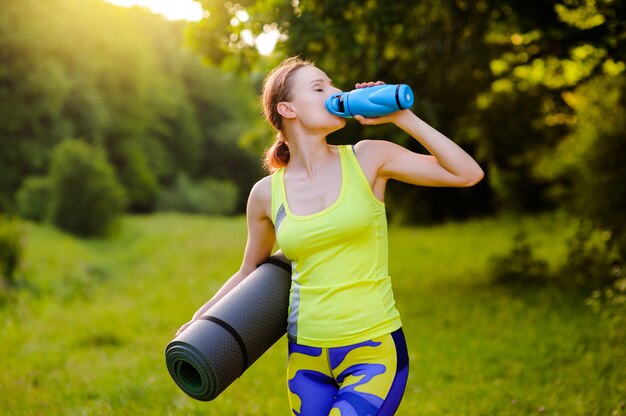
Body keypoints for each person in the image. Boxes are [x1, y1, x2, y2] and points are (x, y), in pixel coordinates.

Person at [177, 57, 484, 415]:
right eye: (319, 87)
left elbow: (467, 173)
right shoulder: (265, 194)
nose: (335, 92)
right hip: (307, 359)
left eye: (333, 85)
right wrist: (198, 322)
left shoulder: (369, 158)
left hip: (372, 350)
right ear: (287, 108)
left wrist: (402, 117)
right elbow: (249, 271)